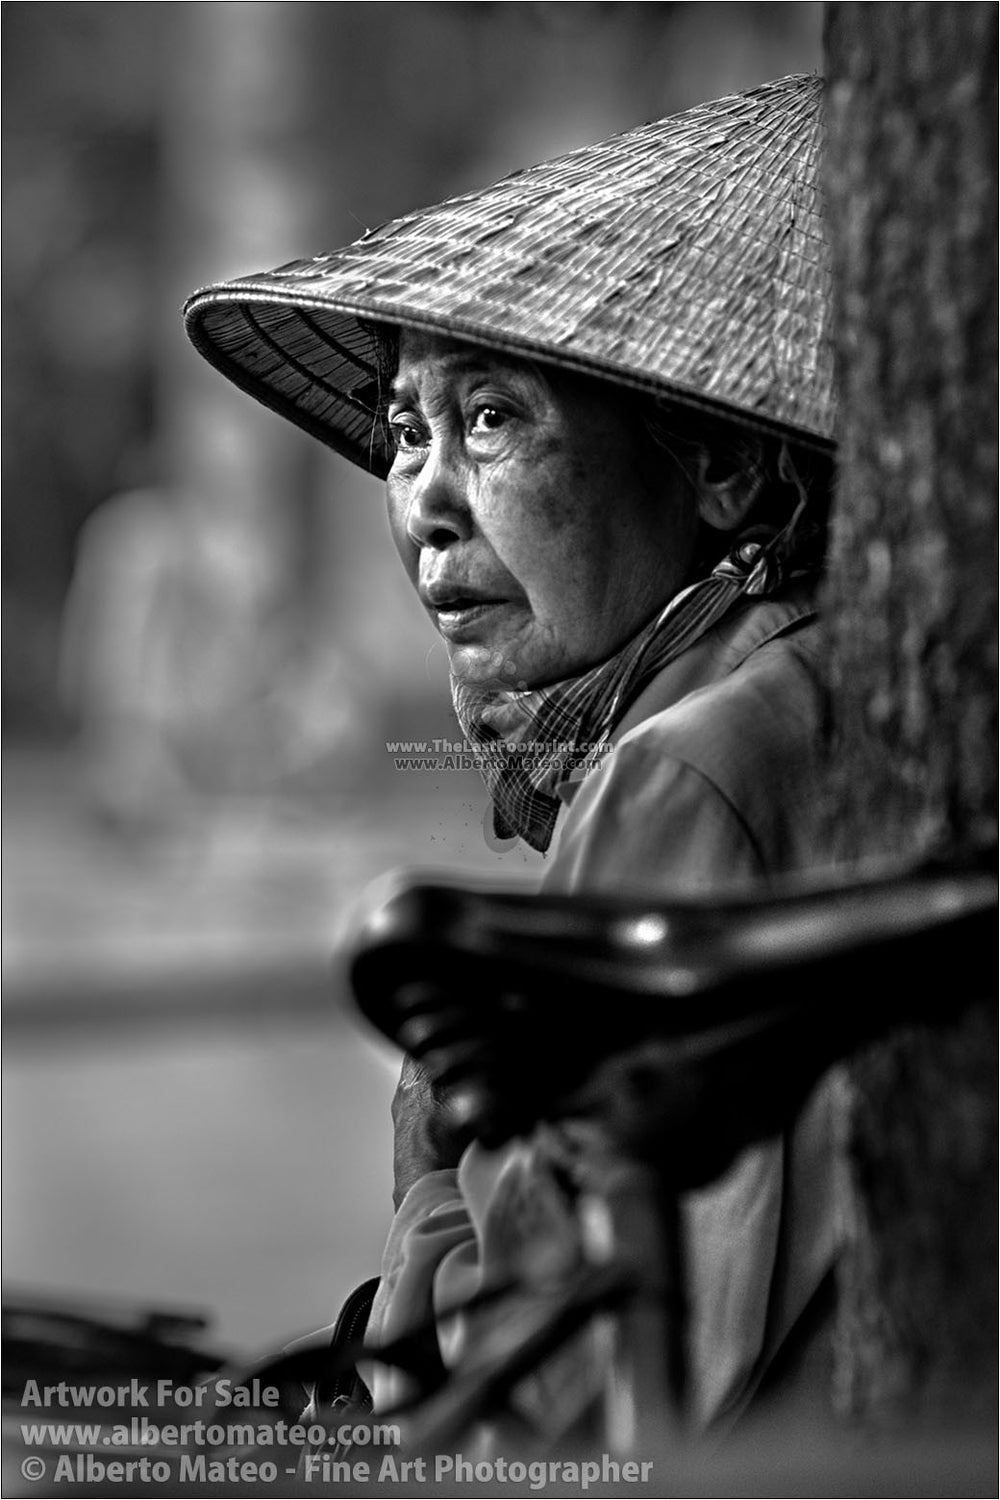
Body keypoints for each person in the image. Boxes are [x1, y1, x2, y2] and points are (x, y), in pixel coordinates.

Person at [184, 74, 841, 1439]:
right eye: (407, 430)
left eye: (492, 419)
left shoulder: (688, 775)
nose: (421, 498)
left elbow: (557, 1414)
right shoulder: (822, 687)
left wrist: (436, 1149)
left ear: (720, 467)